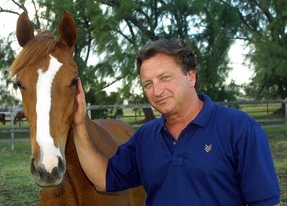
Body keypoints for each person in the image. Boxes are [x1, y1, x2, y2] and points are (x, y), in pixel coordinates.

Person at [73, 38, 281, 205]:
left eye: (165, 78)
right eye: (148, 84)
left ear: (191, 77)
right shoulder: (146, 138)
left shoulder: (240, 129)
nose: (157, 91)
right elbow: (103, 179)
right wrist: (80, 125)